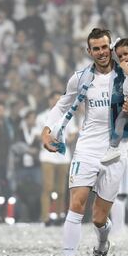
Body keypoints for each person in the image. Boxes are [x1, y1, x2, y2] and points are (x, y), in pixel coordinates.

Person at [41, 28, 128, 256]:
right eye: (96, 48)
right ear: (89, 51)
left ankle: (101, 246)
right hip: (87, 147)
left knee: (99, 218)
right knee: (76, 204)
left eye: (105, 47)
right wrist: (47, 131)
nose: (101, 52)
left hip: (115, 149)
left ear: (111, 48)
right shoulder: (80, 78)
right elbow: (62, 105)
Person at [36, 91, 78, 226]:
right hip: (47, 156)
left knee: (61, 189)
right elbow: (38, 135)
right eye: (54, 99)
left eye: (59, 99)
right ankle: (45, 217)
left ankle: (60, 215)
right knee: (47, 187)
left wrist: (64, 141)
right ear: (49, 101)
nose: (56, 102)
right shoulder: (42, 117)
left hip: (63, 157)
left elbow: (71, 134)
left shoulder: (67, 116)